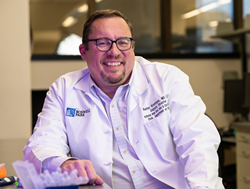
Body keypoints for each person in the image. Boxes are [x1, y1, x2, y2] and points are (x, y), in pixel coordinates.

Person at [24, 9, 224, 189]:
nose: (114, 51)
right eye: (102, 43)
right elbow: (42, 143)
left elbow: (197, 140)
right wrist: (63, 163)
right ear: (84, 52)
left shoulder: (167, 79)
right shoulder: (64, 89)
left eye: (122, 42)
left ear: (132, 47)